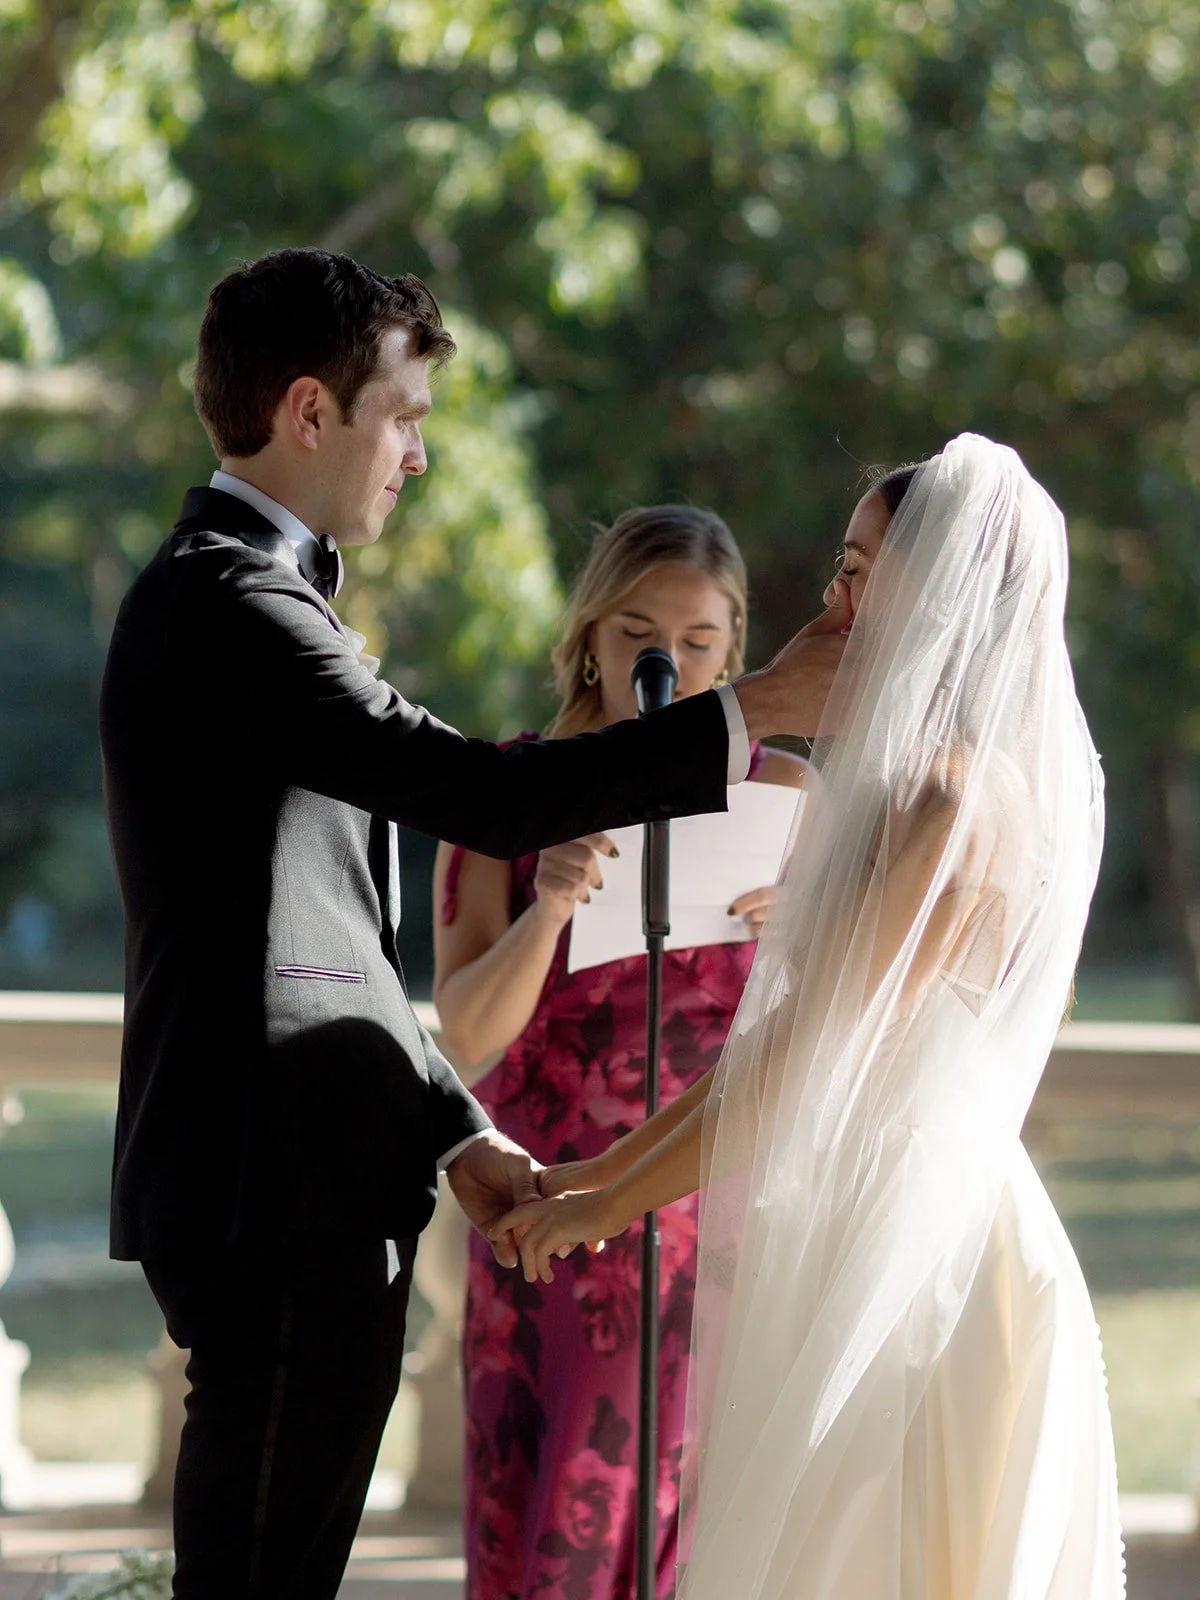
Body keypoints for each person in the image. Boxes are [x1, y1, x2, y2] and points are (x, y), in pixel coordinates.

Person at [97, 247, 848, 1600]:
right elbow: (487, 795)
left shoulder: (258, 598)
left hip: (316, 1180)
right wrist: (759, 709)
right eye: (406, 417)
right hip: (270, 1191)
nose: (419, 457)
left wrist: (452, 1124)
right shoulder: (232, 605)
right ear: (313, 412)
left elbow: (321, 939)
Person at [496, 435, 1125, 1599]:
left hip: (920, 1250)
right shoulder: (917, 781)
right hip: (872, 1208)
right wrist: (591, 1175)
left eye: (855, 569)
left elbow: (793, 1062)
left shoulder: (947, 797)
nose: (832, 595)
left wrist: (600, 1200)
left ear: (931, 593)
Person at [432, 505, 807, 1600]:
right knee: (555, 1520)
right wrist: (545, 906)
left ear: (735, 645)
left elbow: (840, 1025)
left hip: (723, 1209)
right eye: (640, 633)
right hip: (552, 1204)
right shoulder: (506, 791)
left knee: (720, 1529)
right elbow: (462, 1032)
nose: (670, 663)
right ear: (590, 636)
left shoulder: (788, 795)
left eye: (699, 641)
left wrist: (812, 935)